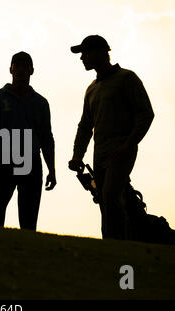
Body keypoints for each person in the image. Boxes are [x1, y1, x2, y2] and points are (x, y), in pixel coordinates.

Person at [68, 35, 155, 240]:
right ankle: (111, 245)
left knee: (111, 196)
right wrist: (77, 156)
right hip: (100, 156)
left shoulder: (127, 79)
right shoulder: (91, 89)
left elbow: (146, 114)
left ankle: (122, 245)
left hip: (121, 152)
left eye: (85, 53)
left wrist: (128, 145)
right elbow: (85, 127)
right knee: (104, 201)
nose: (82, 58)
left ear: (99, 52)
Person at [0, 52, 56, 231]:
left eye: (25, 66)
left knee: (29, 217)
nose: (21, 69)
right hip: (5, 158)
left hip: (31, 160)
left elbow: (47, 138)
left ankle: (26, 252)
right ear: (10, 69)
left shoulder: (40, 103)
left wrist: (52, 170)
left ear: (32, 70)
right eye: (17, 65)